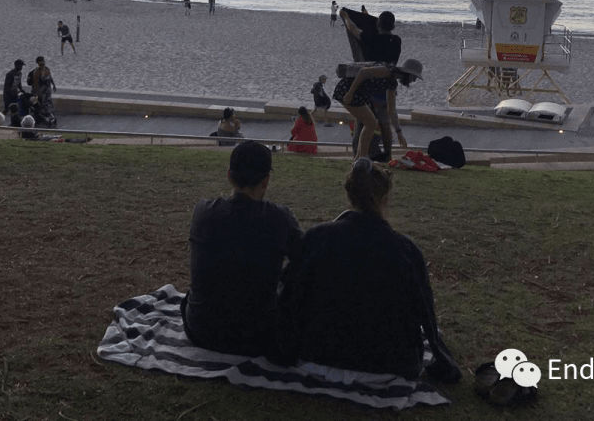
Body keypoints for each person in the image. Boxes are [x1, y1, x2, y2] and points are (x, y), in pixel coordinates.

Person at [272, 159, 461, 384]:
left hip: (315, 355)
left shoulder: (316, 237)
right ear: (385, 199)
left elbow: (290, 296)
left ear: (349, 196)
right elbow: (424, 312)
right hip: (388, 364)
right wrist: (444, 364)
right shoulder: (405, 249)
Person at [182, 141, 303, 356]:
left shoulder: (203, 212)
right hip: (258, 336)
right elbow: (304, 260)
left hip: (202, 330)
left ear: (229, 176)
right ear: (265, 180)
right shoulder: (279, 217)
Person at [333, 59, 422, 162]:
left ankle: (359, 159)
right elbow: (363, 72)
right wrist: (350, 93)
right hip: (346, 90)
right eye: (414, 77)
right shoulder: (387, 70)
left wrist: (399, 134)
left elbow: (392, 110)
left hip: (358, 95)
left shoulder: (392, 82)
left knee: (370, 123)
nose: (414, 80)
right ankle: (362, 157)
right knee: (371, 123)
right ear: (408, 73)